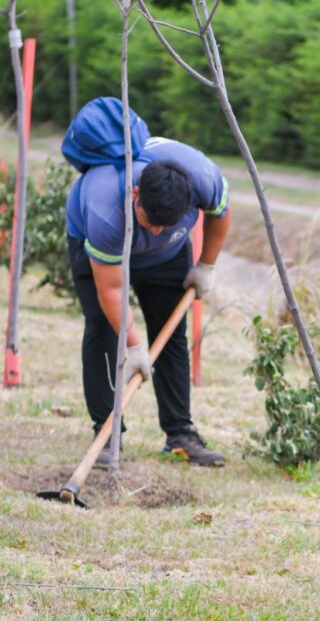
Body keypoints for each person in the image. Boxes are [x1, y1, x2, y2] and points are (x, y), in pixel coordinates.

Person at [65, 136, 231, 467]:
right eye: (150, 220)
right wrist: (135, 346)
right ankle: (108, 433)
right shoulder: (105, 209)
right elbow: (111, 290)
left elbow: (221, 212)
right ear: (135, 195)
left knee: (170, 335)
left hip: (167, 259)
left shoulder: (202, 177)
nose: (155, 230)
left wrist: (206, 265)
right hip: (99, 251)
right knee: (103, 330)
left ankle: (180, 433)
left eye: (164, 224)